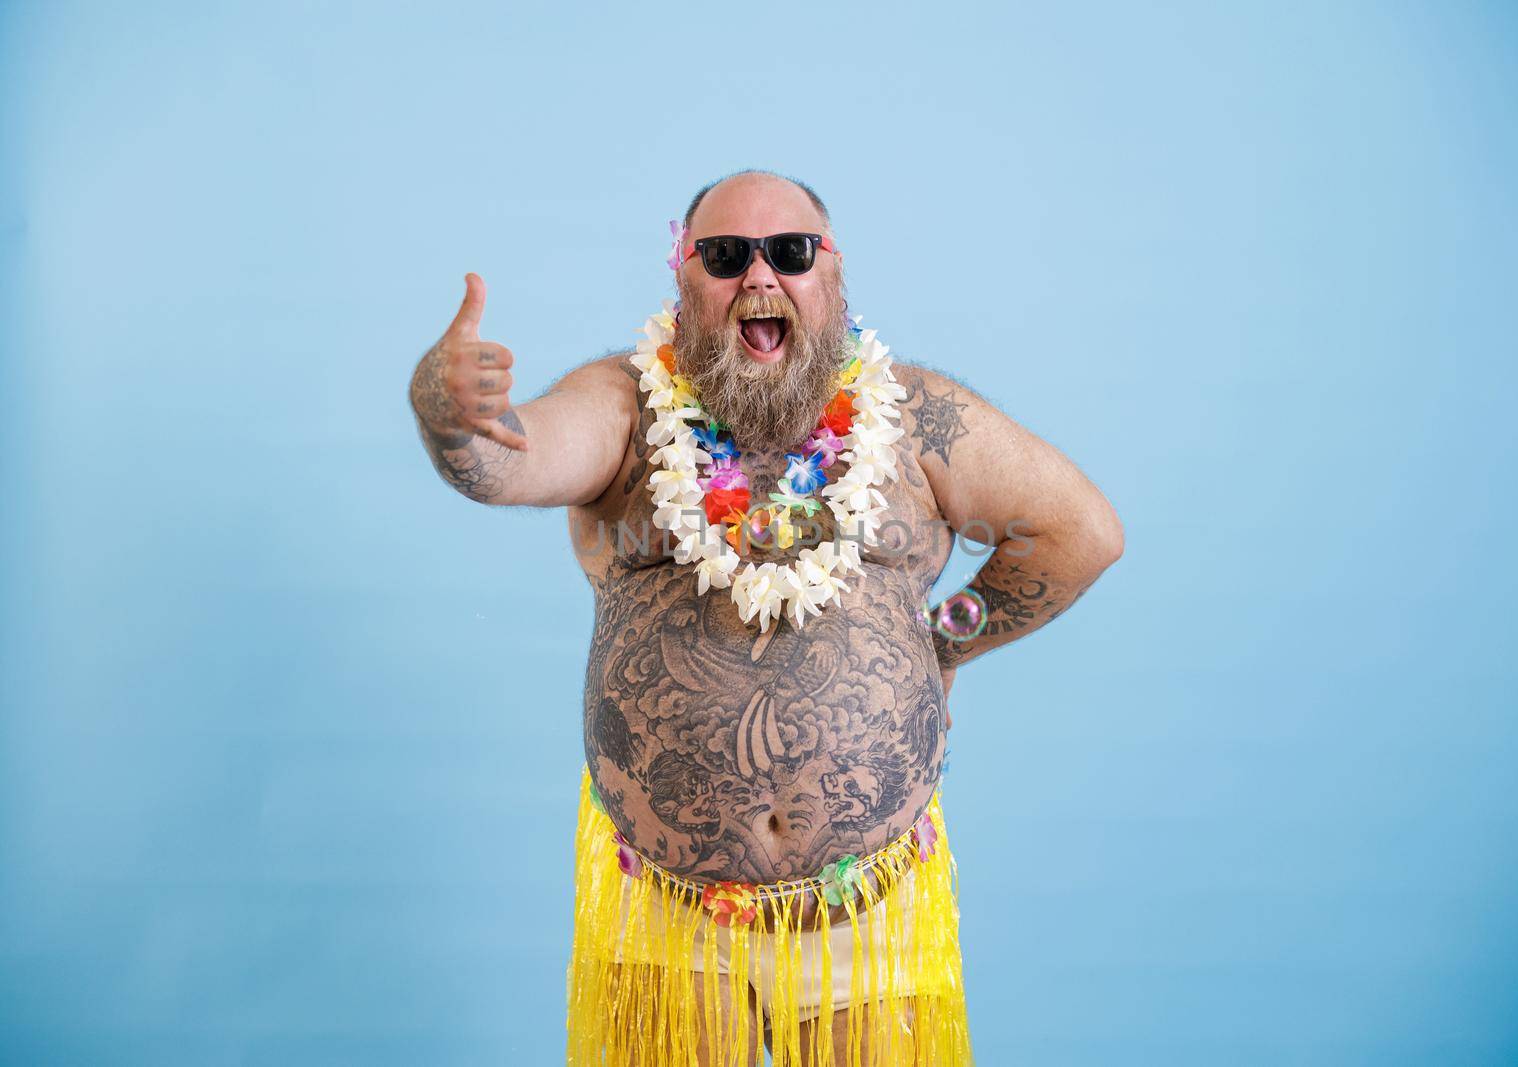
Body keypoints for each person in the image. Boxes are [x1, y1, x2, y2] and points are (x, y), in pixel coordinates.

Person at [407, 169, 1124, 1066]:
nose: (759, 277)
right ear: (682, 281)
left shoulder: (915, 419)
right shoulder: (625, 411)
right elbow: (509, 459)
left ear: (833, 275)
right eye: (724, 255)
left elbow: (1081, 532)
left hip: (872, 922)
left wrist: (946, 639)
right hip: (668, 929)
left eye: (789, 252)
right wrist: (452, 421)